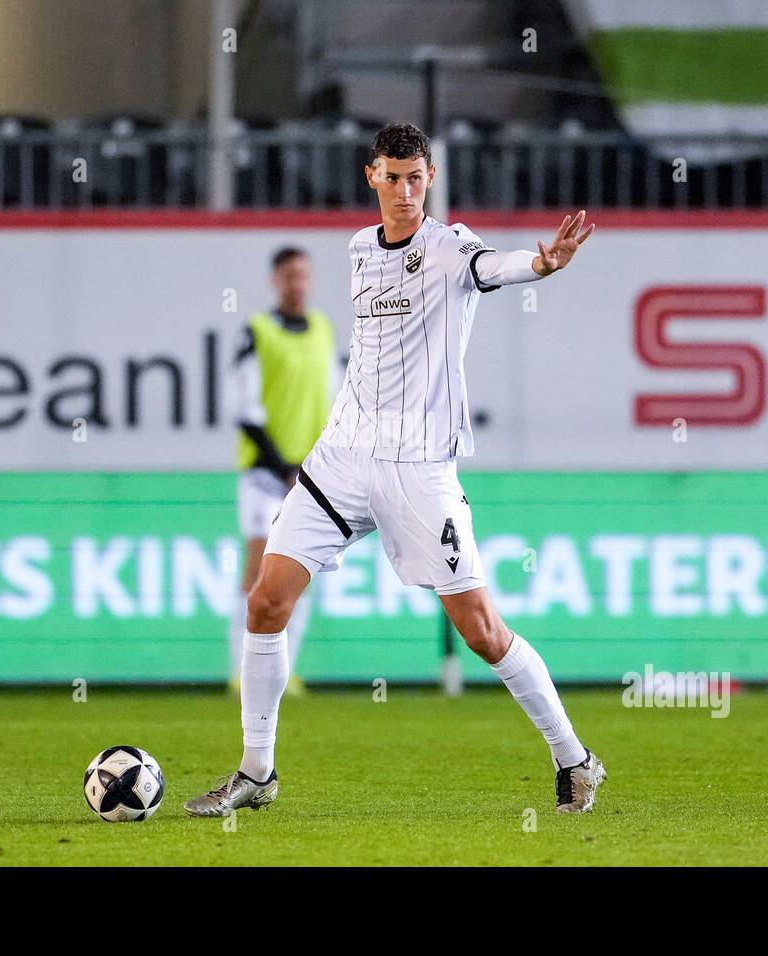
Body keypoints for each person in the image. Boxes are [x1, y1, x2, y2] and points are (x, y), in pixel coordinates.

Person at [185, 122, 602, 818]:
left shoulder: (450, 247)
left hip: (419, 467)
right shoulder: (357, 250)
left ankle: (576, 759)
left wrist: (542, 265)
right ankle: (257, 772)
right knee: (266, 600)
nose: (405, 191)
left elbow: (492, 266)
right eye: (393, 177)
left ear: (429, 180)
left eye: (417, 178)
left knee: (481, 631)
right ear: (370, 177)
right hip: (343, 457)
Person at [228, 246, 337, 695]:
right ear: (276, 280)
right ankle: (240, 668)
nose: (298, 283)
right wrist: (283, 465)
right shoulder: (257, 331)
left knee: (302, 568)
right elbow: (245, 409)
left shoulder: (324, 331)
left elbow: (333, 403)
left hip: (310, 475)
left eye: (304, 275)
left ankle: (284, 670)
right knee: (259, 566)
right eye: (289, 276)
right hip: (265, 472)